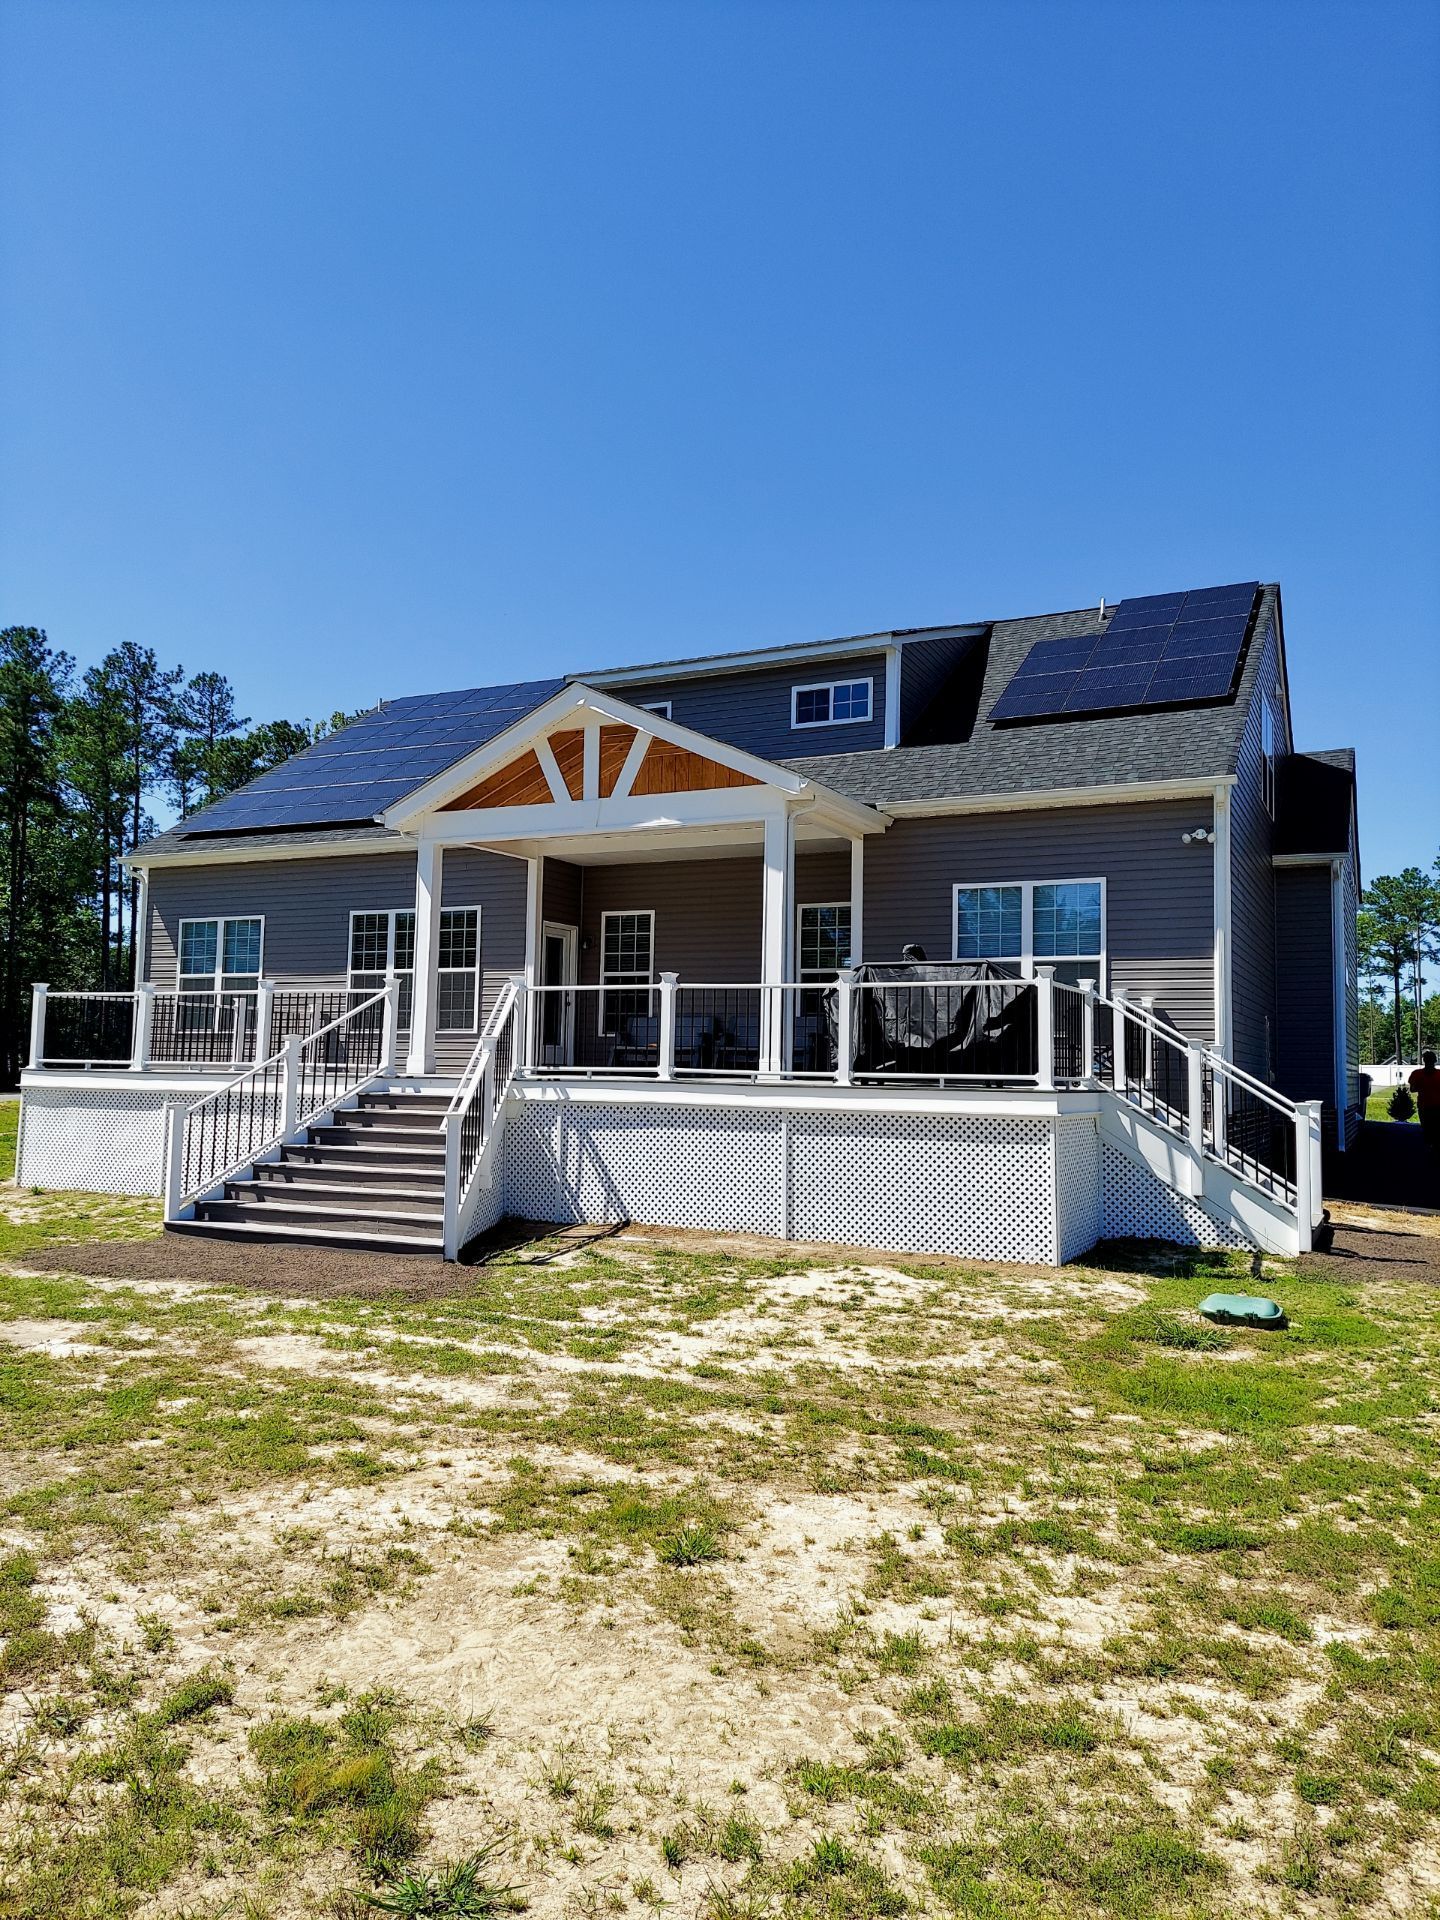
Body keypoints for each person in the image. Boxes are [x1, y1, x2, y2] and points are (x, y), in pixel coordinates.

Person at [1408, 1050, 1440, 1156]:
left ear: (1424, 1060)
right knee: (1434, 1127)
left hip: (1424, 1106)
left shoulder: (1417, 1074)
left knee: (1427, 1127)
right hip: (1435, 1106)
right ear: (1435, 1061)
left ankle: (1429, 1147)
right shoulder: (1439, 1075)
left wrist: (1421, 1086)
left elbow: (1412, 1089)